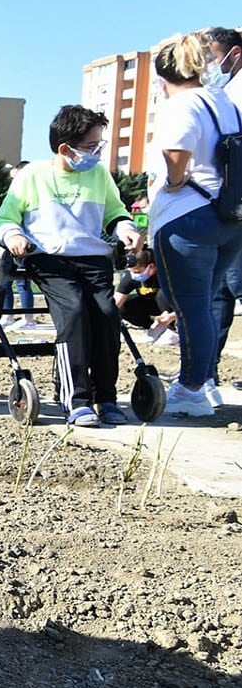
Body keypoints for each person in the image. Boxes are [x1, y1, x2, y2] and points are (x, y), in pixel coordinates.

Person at [0, 105, 141, 427]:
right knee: (73, 313)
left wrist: (126, 228)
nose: (97, 152)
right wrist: (14, 236)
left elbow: (116, 212)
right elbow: (5, 218)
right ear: (65, 148)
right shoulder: (33, 175)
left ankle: (106, 397)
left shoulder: (99, 174)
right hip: (49, 258)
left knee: (106, 314)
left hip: (92, 258)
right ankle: (76, 400)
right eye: (91, 146)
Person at [146, 33, 242, 417]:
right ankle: (200, 381)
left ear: (162, 73)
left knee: (190, 306)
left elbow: (176, 150)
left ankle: (191, 388)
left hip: (188, 215)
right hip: (228, 214)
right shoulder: (224, 100)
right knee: (206, 302)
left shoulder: (180, 104)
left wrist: (173, 181)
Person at [198, 26, 242, 396]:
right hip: (228, 204)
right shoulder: (225, 93)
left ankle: (205, 373)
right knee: (220, 292)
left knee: (227, 288)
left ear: (235, 55)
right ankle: (207, 371)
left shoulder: (233, 95)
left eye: (213, 57)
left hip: (234, 204)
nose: (212, 65)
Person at [0, 161, 39, 329]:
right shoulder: (12, 198)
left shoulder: (31, 197)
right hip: (10, 246)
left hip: (24, 247)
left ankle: (28, 318)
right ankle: (7, 315)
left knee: (23, 283)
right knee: (5, 281)